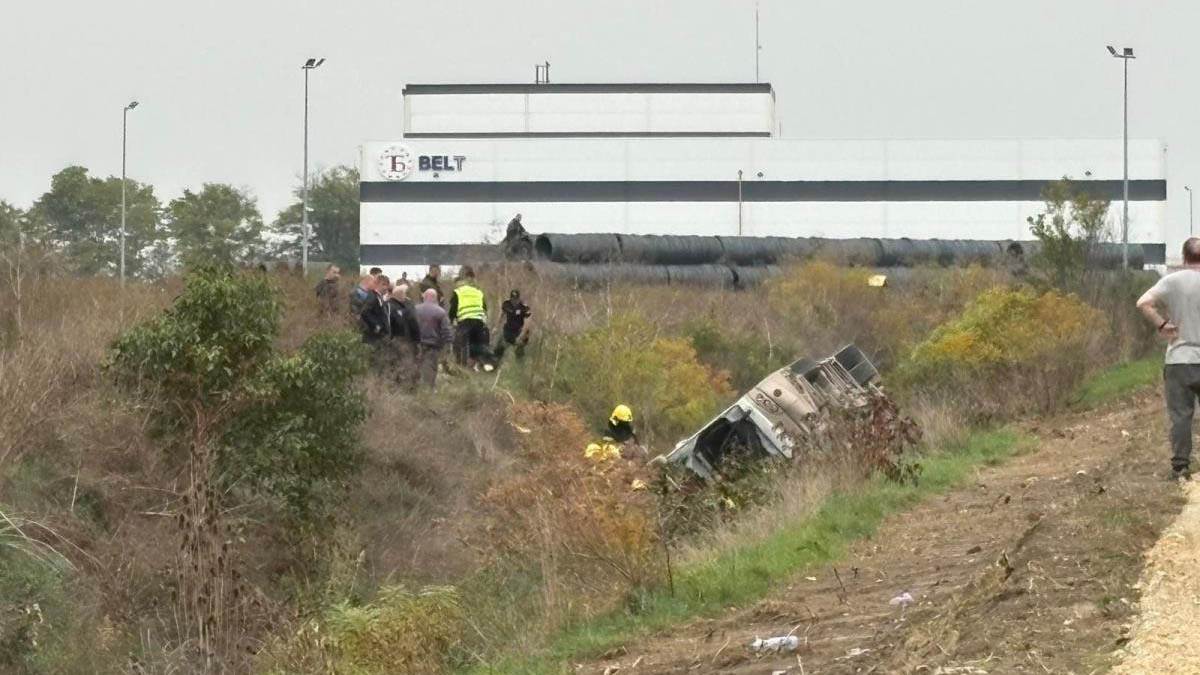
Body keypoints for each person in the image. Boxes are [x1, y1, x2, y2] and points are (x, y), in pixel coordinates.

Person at [1137, 237, 1200, 481]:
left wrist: (1162, 324)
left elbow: (1143, 303)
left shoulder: (1172, 281)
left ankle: (1180, 467)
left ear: (1184, 258)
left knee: (1181, 415)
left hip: (1179, 358)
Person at [449, 265, 493, 370]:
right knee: (477, 347)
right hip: (479, 322)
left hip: (465, 322)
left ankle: (462, 369)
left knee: (461, 346)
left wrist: (451, 321)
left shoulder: (458, 292)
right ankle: (479, 367)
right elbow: (485, 308)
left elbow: (453, 310)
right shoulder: (478, 292)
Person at [414, 288, 453, 389]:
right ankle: (428, 390)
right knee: (430, 368)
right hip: (433, 345)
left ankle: (415, 388)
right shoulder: (440, 312)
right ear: (436, 298)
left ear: (424, 297)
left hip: (417, 344)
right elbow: (446, 331)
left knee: (416, 367)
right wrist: (448, 346)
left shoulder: (415, 309)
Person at [494, 289, 532, 360]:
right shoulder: (506, 304)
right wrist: (496, 327)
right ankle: (494, 364)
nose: (514, 301)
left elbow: (527, 322)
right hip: (508, 329)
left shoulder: (524, 307)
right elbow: (502, 315)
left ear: (519, 299)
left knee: (519, 352)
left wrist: (522, 334)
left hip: (519, 331)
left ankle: (519, 367)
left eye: (516, 299)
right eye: (512, 299)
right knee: (499, 348)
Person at [358, 274, 389, 345]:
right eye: (383, 284)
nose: (386, 287)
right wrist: (377, 325)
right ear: (377, 284)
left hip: (379, 336)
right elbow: (365, 312)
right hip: (372, 337)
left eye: (387, 285)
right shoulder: (372, 296)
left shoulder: (379, 297)